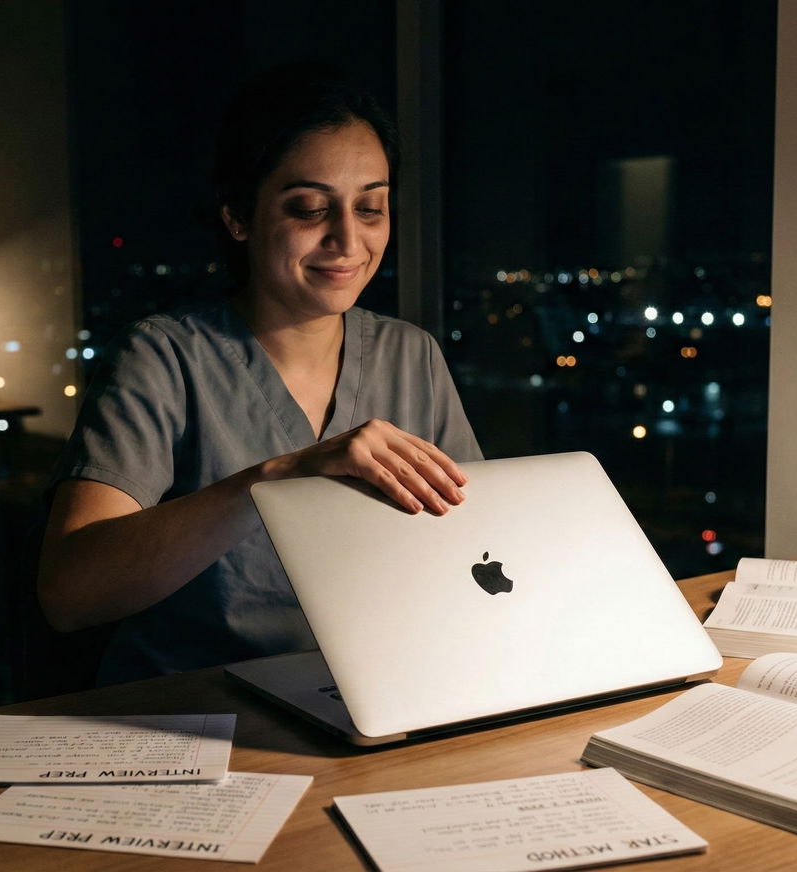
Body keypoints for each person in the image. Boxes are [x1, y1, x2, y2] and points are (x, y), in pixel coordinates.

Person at [38, 64, 483, 684]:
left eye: (371, 207)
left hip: (371, 695)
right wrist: (282, 474)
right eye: (309, 209)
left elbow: (478, 550)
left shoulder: (412, 356)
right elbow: (71, 594)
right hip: (195, 717)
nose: (348, 240)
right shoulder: (164, 357)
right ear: (239, 217)